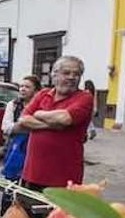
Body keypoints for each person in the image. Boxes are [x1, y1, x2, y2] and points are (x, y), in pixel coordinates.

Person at [18, 56, 94, 190]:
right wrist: (53, 125)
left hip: (64, 179)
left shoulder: (84, 98)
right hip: (32, 174)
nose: (71, 77)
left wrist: (38, 113)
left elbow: (64, 119)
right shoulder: (43, 94)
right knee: (26, 210)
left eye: (76, 74)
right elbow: (23, 120)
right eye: (66, 73)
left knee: (59, 212)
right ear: (54, 75)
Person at [0, 75, 40, 212]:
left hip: (35, 147)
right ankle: (5, 216)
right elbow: (6, 127)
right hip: (15, 148)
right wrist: (28, 125)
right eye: (21, 86)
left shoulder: (41, 105)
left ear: (36, 90)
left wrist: (22, 125)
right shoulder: (13, 105)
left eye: (27, 87)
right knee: (10, 184)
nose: (23, 89)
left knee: (29, 184)